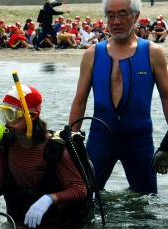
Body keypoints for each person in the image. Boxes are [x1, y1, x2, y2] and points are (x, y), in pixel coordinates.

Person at [69, 0, 168, 194]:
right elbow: (80, 101)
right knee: (85, 198)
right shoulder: (92, 54)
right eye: (111, 15)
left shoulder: (152, 53)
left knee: (146, 206)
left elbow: (166, 97)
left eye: (122, 14)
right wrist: (71, 143)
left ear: (136, 16)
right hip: (100, 140)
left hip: (139, 141)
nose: (116, 21)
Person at [0, 84, 90, 229]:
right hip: (19, 223)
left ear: (32, 116)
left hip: (55, 228)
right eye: (2, 113)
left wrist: (49, 199)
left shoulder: (54, 149)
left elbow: (79, 189)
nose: (6, 122)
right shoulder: (5, 143)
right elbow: (0, 178)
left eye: (11, 114)